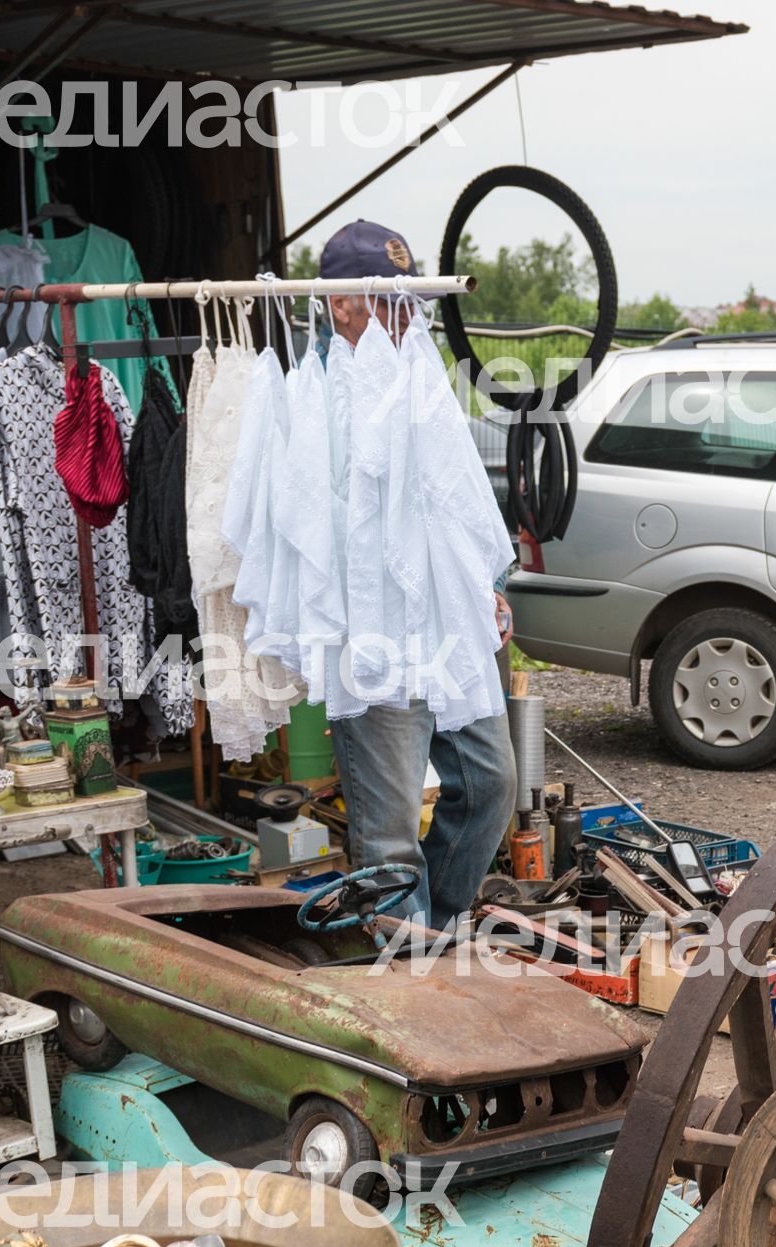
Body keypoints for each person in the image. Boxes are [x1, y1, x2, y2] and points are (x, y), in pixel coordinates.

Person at [311, 218, 519, 929]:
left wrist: (479, 584)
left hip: (447, 628)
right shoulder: (314, 395)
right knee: (390, 830)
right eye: (385, 299)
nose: (404, 315)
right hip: (373, 638)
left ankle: (438, 924)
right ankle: (401, 971)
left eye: (406, 299)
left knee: (493, 784)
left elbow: (449, 493)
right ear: (340, 304)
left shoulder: (417, 375)